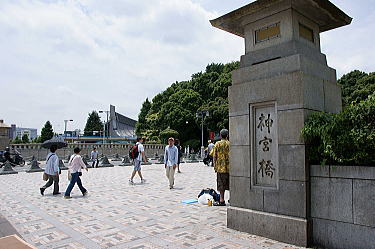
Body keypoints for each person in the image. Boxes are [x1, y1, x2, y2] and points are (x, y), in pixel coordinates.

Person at [211, 129, 230, 206]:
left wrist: (215, 166)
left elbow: (214, 155)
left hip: (220, 168)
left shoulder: (217, 144)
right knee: (230, 183)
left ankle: (222, 200)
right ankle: (231, 199)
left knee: (221, 184)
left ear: (220, 135)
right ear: (227, 135)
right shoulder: (230, 144)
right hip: (230, 168)